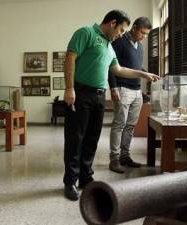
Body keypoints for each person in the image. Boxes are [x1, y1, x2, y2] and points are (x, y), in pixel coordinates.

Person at [63, 10, 160, 201]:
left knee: (92, 139)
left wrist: (143, 74)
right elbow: (70, 58)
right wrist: (69, 88)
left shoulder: (109, 46)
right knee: (76, 139)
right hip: (81, 93)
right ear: (113, 23)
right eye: (122, 29)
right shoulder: (86, 33)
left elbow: (119, 69)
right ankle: (70, 182)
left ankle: (85, 178)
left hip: (99, 96)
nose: (122, 34)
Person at [108, 17, 154, 173]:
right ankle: (114, 159)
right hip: (122, 89)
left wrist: (147, 73)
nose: (144, 37)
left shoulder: (140, 46)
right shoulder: (119, 42)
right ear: (134, 28)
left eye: (147, 34)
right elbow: (111, 65)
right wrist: (113, 87)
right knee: (119, 125)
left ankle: (124, 156)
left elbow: (135, 66)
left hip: (137, 91)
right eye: (143, 33)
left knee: (130, 126)